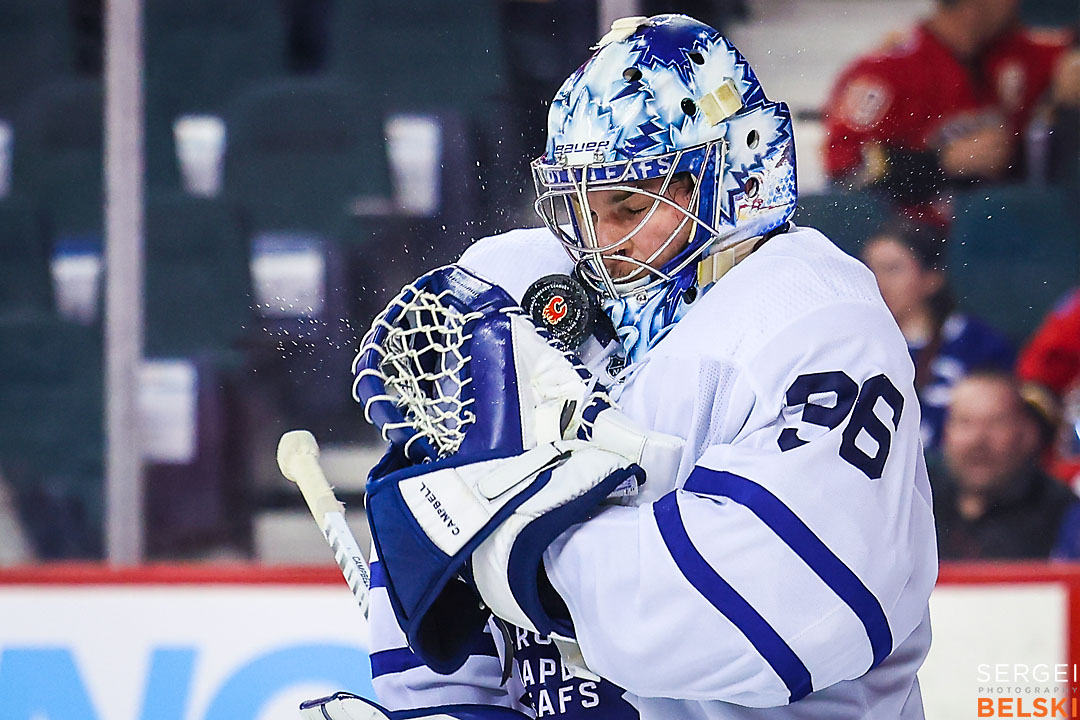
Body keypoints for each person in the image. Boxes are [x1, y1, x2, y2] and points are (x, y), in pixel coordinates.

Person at [309, 14, 937, 720]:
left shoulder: (817, 322)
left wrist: (524, 548)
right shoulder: (510, 293)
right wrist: (444, 707)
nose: (602, 245)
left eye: (630, 206)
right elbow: (429, 581)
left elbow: (796, 613)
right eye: (578, 209)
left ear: (734, 175)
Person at [823, 0, 1080, 216]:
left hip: (995, 229)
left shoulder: (1015, 53)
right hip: (912, 236)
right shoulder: (887, 70)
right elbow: (842, 164)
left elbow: (1066, 50)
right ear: (973, 6)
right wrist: (941, 162)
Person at [860, 217, 1013, 453]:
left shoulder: (976, 343)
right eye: (868, 269)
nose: (877, 282)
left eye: (892, 269)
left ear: (932, 279)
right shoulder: (854, 346)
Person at [930, 371, 1080, 559]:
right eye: (965, 422)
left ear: (1027, 434)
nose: (978, 441)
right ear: (946, 433)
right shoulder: (917, 502)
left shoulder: (1064, 516)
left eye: (996, 422)